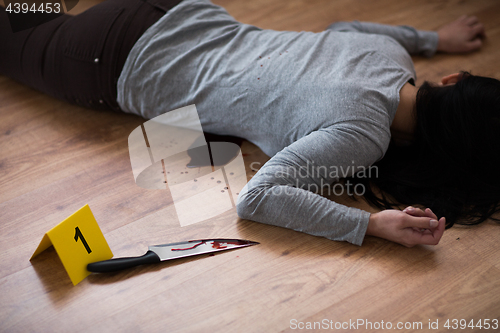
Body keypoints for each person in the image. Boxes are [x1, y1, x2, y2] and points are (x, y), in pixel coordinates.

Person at [1, 0, 497, 247]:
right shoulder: (361, 136)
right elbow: (255, 199)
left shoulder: (388, 54)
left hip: (170, 12)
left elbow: (345, 29)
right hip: (110, 59)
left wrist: (432, 39)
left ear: (450, 82)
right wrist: (367, 225)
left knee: (31, 13)